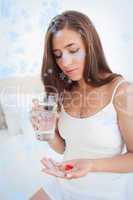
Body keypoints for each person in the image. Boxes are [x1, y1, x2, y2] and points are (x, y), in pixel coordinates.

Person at [31, 10, 133, 200]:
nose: (65, 63)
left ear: (90, 45)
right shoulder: (63, 92)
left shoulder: (121, 91)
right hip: (66, 179)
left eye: (73, 50)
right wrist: (49, 132)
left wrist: (91, 165)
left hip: (105, 189)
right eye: (58, 55)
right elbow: (64, 148)